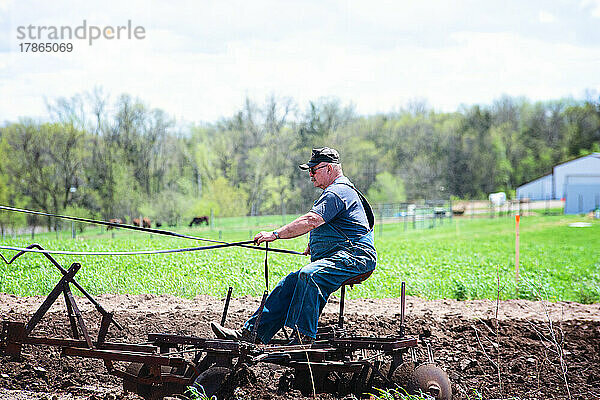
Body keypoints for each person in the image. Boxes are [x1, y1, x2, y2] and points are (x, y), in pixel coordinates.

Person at [211, 147, 376, 344]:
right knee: (290, 282)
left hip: (356, 257)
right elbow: (336, 225)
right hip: (343, 255)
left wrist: (275, 234)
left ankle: (303, 337)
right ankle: (252, 334)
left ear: (329, 169)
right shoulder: (337, 191)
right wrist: (316, 245)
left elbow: (311, 220)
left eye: (314, 170)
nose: (310, 175)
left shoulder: (338, 192)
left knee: (310, 276)